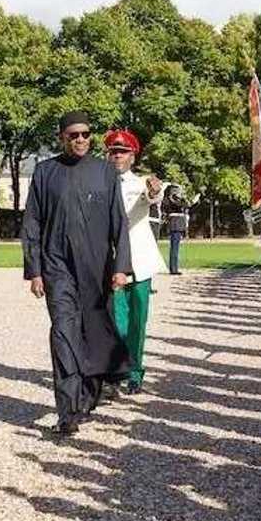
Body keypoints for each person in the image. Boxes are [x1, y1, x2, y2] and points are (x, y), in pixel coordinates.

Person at [22, 112, 133, 435]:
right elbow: (32, 223)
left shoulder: (104, 171)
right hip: (57, 267)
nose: (80, 139)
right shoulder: (45, 172)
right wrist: (35, 270)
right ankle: (67, 411)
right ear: (62, 138)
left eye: (85, 134)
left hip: (98, 269)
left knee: (94, 333)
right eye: (73, 135)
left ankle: (88, 397)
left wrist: (121, 267)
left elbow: (119, 222)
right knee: (63, 333)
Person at [105, 128, 166, 395]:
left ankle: (135, 372)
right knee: (116, 321)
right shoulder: (100, 183)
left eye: (123, 152)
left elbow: (153, 195)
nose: (117, 156)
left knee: (137, 322)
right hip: (112, 261)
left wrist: (155, 189)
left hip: (139, 261)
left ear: (133, 156)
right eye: (113, 151)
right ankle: (115, 372)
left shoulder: (142, 183)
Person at [162, 184, 199, 275]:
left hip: (178, 225)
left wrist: (192, 202)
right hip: (175, 224)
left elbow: (186, 206)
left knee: (176, 247)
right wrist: (192, 201)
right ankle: (173, 269)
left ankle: (174, 267)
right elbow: (182, 205)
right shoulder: (171, 199)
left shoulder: (178, 199)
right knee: (174, 248)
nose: (180, 192)